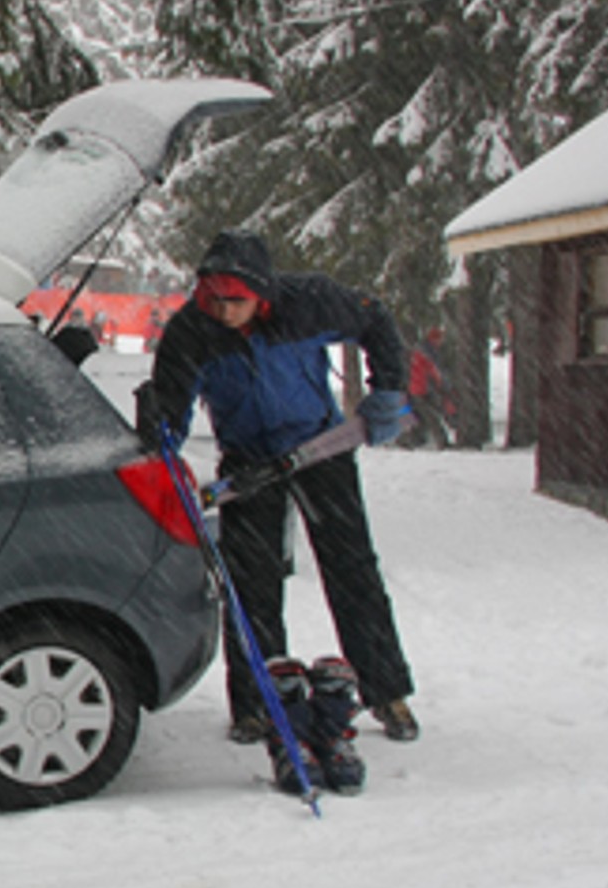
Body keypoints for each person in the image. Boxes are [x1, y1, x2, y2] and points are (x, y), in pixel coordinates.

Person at [137, 228, 421, 753]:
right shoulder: (191, 332)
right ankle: (258, 704)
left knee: (352, 569)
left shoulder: (308, 303)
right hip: (249, 463)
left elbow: (375, 318)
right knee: (251, 585)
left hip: (322, 450)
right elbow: (171, 409)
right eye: (214, 299)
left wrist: (388, 390)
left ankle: (387, 691)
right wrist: (160, 436)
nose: (224, 311)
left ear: (262, 293)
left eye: (236, 301)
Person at [404, 326, 456, 449]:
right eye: (439, 339)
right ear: (433, 339)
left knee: (419, 416)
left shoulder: (421, 351)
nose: (440, 342)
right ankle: (441, 442)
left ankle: (413, 440)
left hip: (418, 389)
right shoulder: (426, 354)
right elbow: (434, 372)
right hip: (420, 389)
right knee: (432, 416)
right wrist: (443, 385)